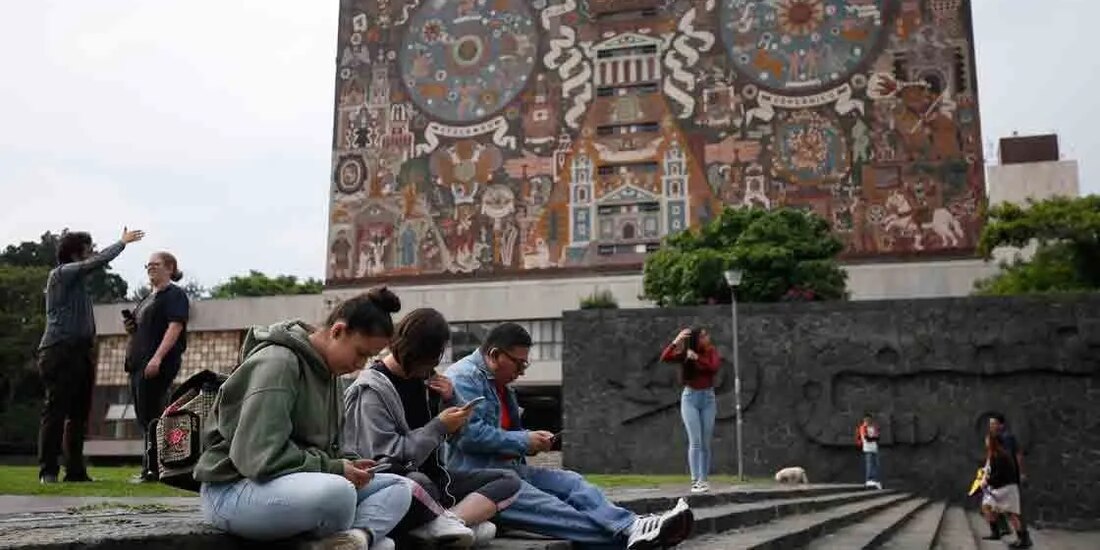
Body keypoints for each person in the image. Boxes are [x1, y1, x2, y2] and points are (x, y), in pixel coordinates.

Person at [194, 288, 411, 550]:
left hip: (290, 485)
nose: (362, 365)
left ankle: (357, 539)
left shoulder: (330, 372)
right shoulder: (279, 362)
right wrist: (335, 469)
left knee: (400, 487)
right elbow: (259, 457)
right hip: (233, 489)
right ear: (338, 331)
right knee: (339, 493)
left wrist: (350, 464)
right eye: (361, 353)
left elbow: (324, 448)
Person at [445, 323, 694, 549]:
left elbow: (503, 434)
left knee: (571, 482)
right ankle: (634, 534)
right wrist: (524, 440)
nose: (522, 371)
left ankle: (632, 526)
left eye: (525, 365)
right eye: (519, 363)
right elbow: (469, 436)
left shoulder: (500, 382)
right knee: (556, 510)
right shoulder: (463, 378)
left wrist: (529, 440)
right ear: (495, 355)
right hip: (479, 483)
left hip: (509, 471)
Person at [344, 308, 522, 547]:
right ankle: (445, 526)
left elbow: (457, 437)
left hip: (438, 480)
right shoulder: (373, 390)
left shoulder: (425, 380)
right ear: (412, 353)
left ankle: (447, 523)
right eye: (428, 361)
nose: (430, 369)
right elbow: (388, 458)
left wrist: (450, 400)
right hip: (399, 484)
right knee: (418, 483)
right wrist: (438, 426)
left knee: (507, 479)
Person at [37, 227, 145, 484]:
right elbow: (97, 262)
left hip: (81, 352)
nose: (92, 253)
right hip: (60, 350)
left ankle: (75, 471)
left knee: (79, 414)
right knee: (56, 410)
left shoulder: (77, 286)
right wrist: (121, 243)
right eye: (88, 249)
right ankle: (48, 470)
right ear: (76, 252)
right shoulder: (62, 274)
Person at [125, 251, 190, 483]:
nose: (151, 268)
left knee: (153, 413)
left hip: (156, 362)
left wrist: (157, 358)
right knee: (144, 415)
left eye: (156, 264)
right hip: (137, 363)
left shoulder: (174, 295)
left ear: (170, 268)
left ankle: (154, 468)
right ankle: (150, 466)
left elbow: (175, 327)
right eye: (148, 265)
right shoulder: (146, 299)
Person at [660, 327, 720, 493]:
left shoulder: (711, 351)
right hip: (690, 398)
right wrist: (676, 341)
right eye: (703, 336)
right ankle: (695, 481)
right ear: (696, 339)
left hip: (708, 398)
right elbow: (664, 357)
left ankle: (703, 479)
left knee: (706, 442)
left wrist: (697, 359)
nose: (707, 338)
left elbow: (714, 367)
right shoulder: (686, 352)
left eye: (707, 335)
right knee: (696, 440)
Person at [986, 414, 1032, 547]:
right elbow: (992, 458)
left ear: (1001, 425)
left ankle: (1023, 538)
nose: (991, 426)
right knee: (990, 506)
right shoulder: (994, 440)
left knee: (1012, 511)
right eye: (990, 424)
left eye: (994, 424)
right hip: (999, 480)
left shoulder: (1007, 439)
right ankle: (998, 531)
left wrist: (1021, 472)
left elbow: (1016, 455)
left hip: (1008, 480)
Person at [856, 413, 882, 489]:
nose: (868, 421)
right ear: (864, 420)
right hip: (868, 448)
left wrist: (873, 438)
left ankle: (875, 480)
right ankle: (869, 480)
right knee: (869, 465)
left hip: (875, 448)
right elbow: (867, 438)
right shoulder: (863, 427)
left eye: (869, 419)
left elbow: (877, 437)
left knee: (876, 465)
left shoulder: (874, 427)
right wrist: (873, 438)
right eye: (866, 419)